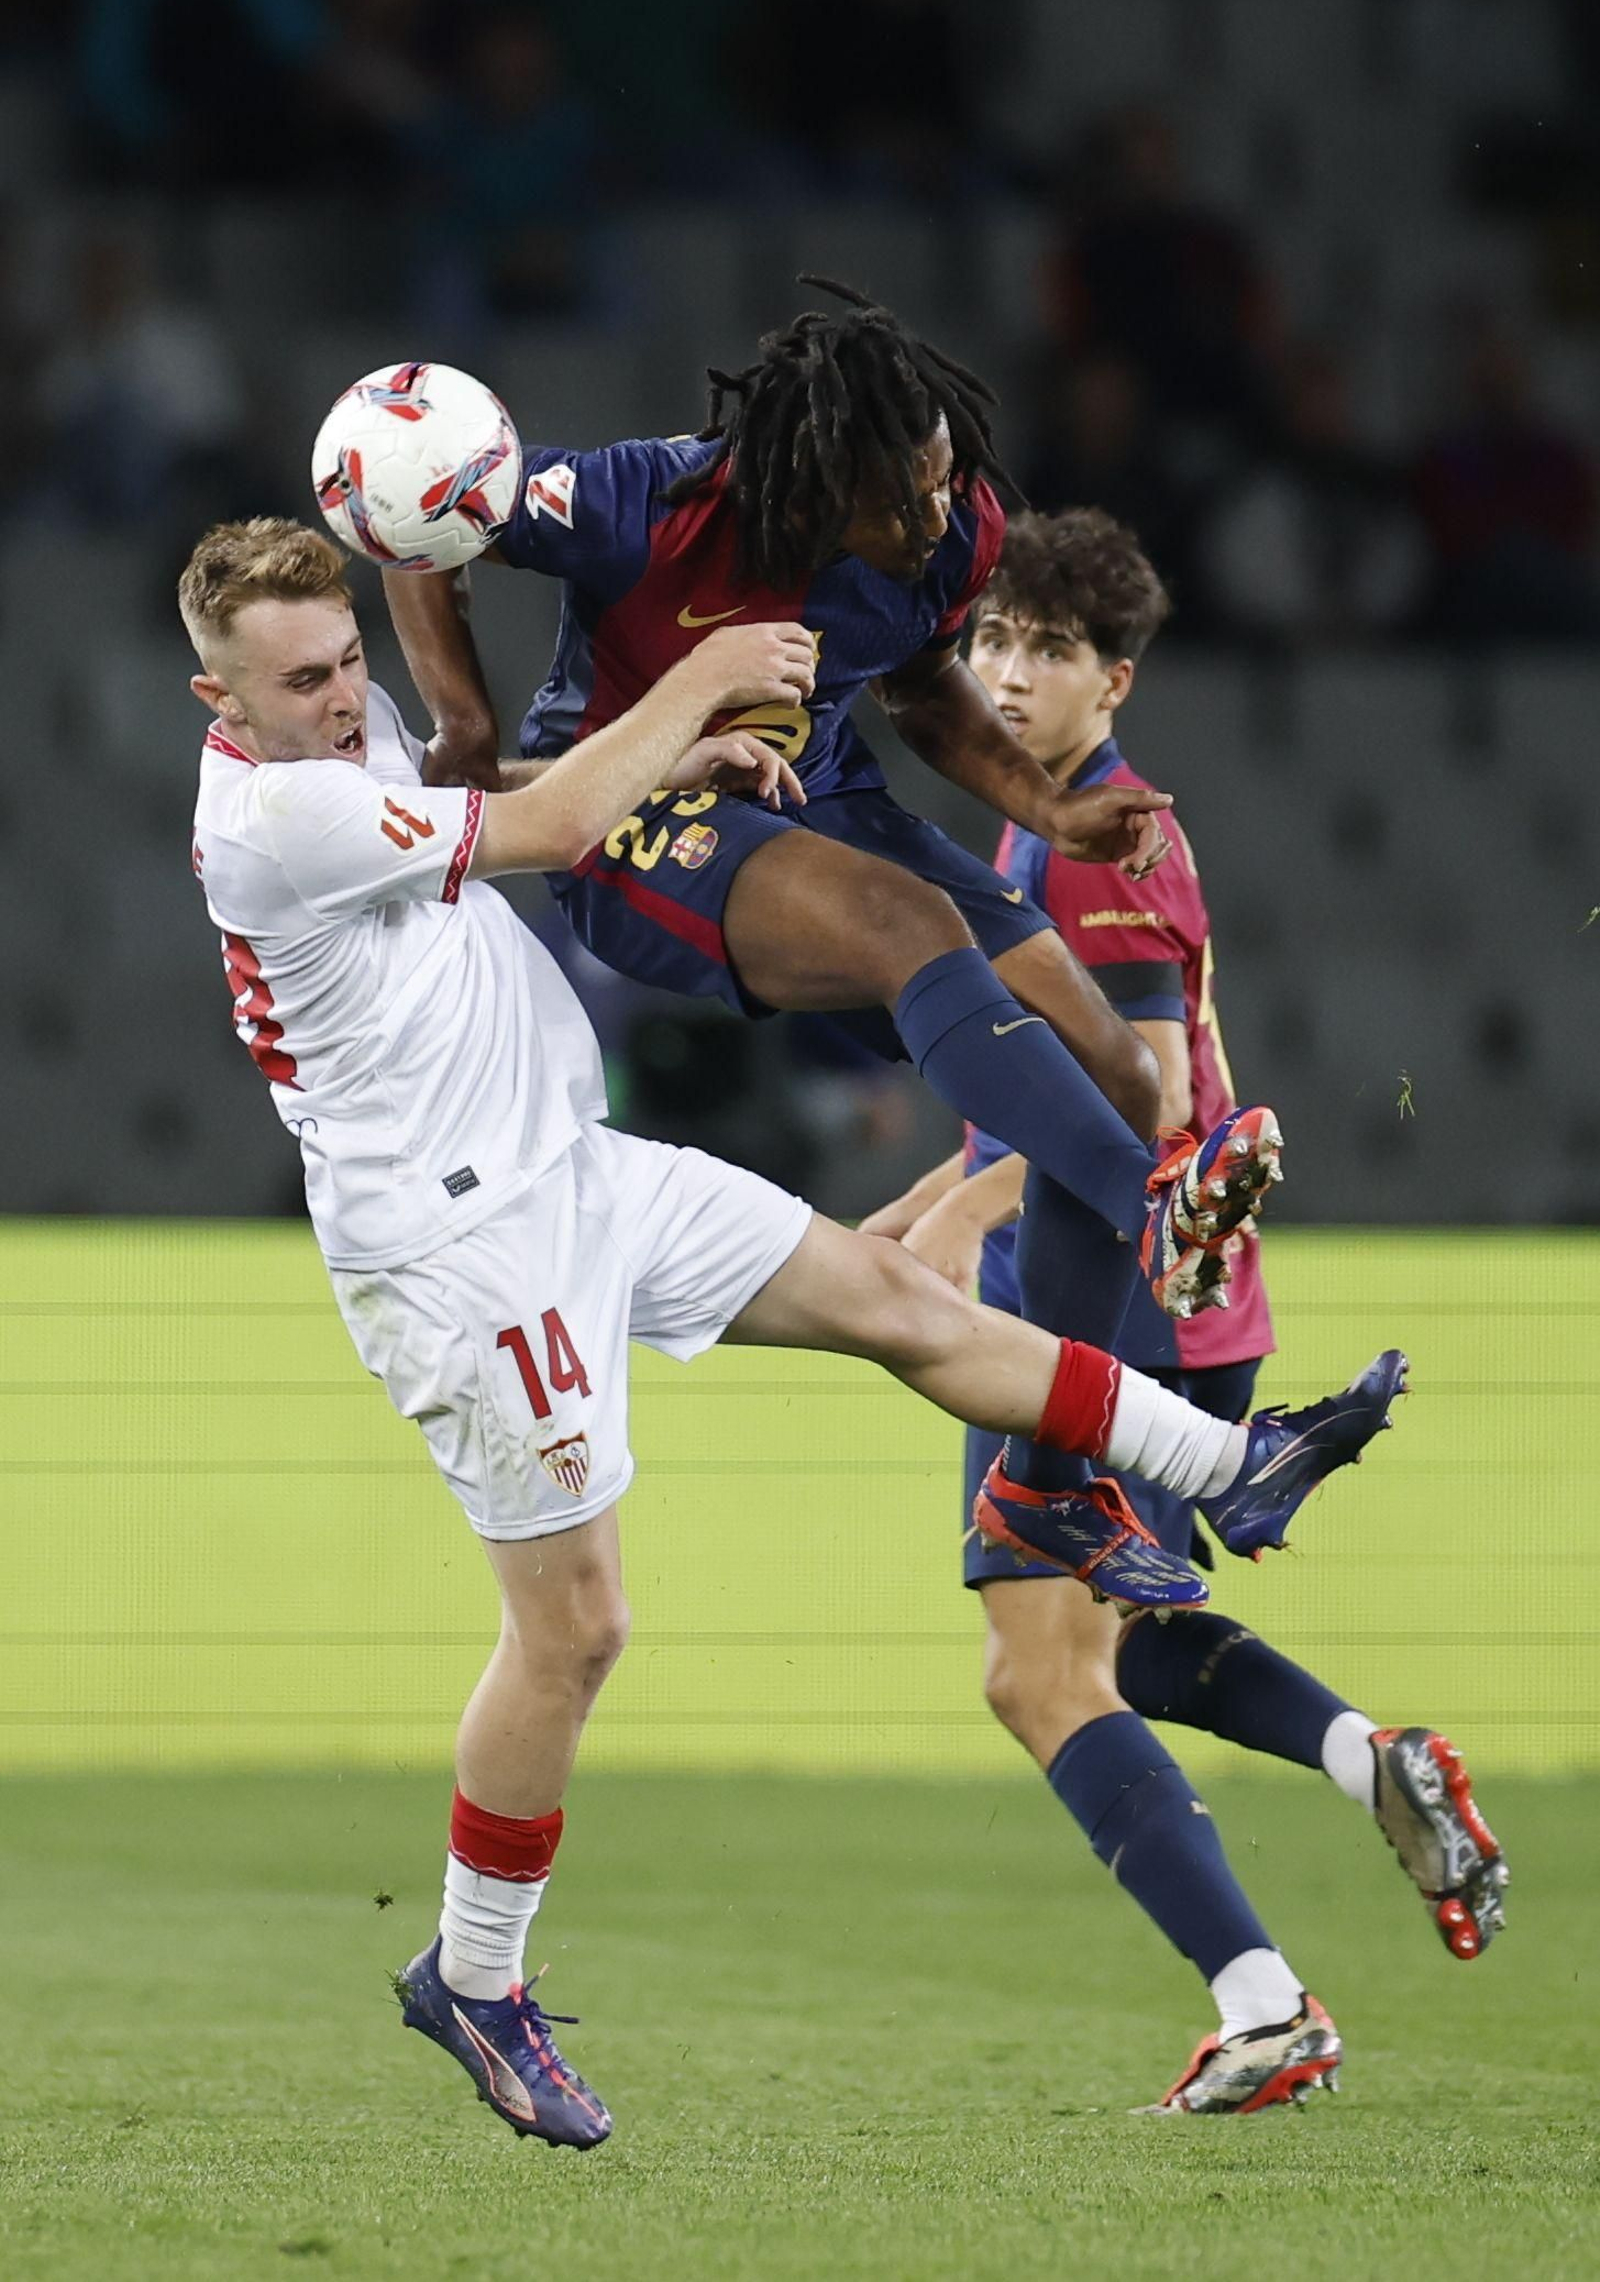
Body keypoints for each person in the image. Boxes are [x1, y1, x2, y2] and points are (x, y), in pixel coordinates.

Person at [182, 517, 1407, 2145]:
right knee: (577, 1631)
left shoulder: (335, 728)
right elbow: (544, 815)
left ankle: (1229, 1463)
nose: (345, 698)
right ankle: (475, 1978)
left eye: (347, 660)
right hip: (458, 1250)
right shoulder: (274, 813)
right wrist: (700, 677)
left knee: (905, 1298)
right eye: (302, 678)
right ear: (218, 696)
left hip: (573, 1170)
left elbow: (465, 744)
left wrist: (426, 562)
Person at [376, 280, 1281, 1604]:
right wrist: (460, 718)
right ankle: (1151, 1202)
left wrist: (1050, 810)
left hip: (820, 801)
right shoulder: (645, 504)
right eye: (897, 499)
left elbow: (921, 679)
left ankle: (1046, 1491)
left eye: (939, 481)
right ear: (807, 488)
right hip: (637, 820)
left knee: (1121, 1082)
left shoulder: (954, 520)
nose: (935, 517)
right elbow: (428, 518)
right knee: (935, 952)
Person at [865, 509, 1507, 2112]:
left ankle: (1266, 2002)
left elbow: (1143, 1094)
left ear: (1116, 679)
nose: (1008, 677)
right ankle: (1374, 1765)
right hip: (1165, 1310)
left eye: (1050, 654)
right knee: (1135, 1658)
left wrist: (964, 1203)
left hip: (1104, 1311)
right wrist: (927, 1194)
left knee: (1037, 1676)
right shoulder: (1052, 824)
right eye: (993, 643)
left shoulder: (1108, 837)